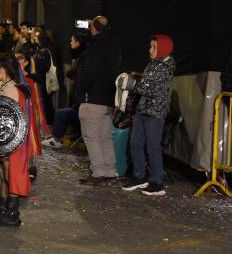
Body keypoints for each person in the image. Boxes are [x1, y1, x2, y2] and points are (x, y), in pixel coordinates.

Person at [0, 56, 42, 228]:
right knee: (3, 174)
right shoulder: (6, 86)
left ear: (2, 70)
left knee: (11, 174)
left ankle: (12, 215)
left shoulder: (12, 88)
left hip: (12, 141)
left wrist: (4, 143)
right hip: (5, 141)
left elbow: (11, 119)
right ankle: (3, 211)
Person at [122, 35, 175, 196]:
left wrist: (133, 85)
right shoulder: (152, 63)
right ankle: (139, 177)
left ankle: (157, 183)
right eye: (150, 46)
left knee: (152, 147)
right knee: (135, 143)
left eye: (154, 47)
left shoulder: (166, 67)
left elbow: (154, 90)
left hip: (154, 113)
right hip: (142, 110)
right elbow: (145, 84)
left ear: (163, 49)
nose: (150, 50)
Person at [76, 16, 121, 185]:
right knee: (105, 137)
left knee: (92, 137)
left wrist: (81, 90)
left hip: (92, 98)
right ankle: (110, 172)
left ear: (93, 28)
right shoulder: (115, 45)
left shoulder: (94, 47)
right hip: (108, 99)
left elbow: (89, 73)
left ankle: (98, 173)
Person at [42, 32, 88, 148]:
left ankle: (57, 140)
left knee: (60, 113)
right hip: (80, 104)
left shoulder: (82, 59)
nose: (70, 43)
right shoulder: (79, 58)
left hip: (83, 106)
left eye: (72, 41)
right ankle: (58, 137)